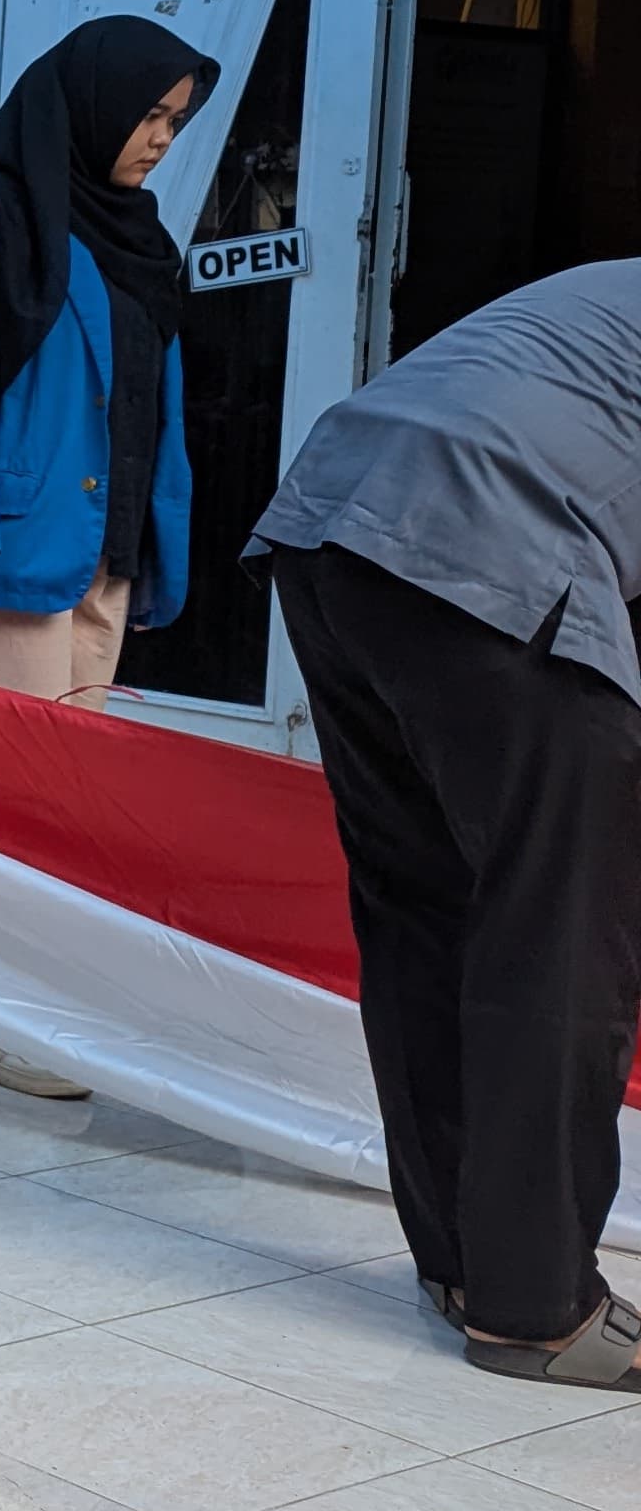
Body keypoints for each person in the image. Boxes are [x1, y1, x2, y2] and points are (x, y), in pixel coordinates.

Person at [253, 260, 641, 1395]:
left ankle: (463, 1267)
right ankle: (538, 1308)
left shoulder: (609, 291)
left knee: (424, 906)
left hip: (332, 524)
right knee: (564, 926)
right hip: (490, 535)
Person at [0, 14, 212, 1098]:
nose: (160, 140)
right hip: (0, 545)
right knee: (8, 795)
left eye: (175, 121)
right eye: (149, 116)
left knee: (50, 791)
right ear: (92, 106)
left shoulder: (139, 238)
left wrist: (155, 541)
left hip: (100, 547)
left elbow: (146, 399)